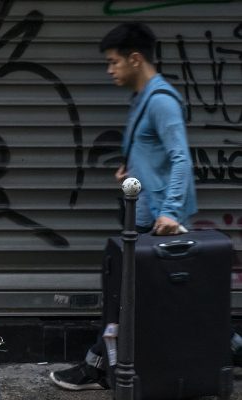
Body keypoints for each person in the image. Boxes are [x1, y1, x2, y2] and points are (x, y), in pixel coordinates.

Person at [49, 21, 223, 390]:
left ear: (135, 58)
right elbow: (157, 156)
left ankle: (94, 366)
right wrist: (131, 169)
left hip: (158, 223)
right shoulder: (143, 98)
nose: (109, 69)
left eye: (113, 62)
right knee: (173, 302)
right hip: (143, 215)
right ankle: (230, 347)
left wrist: (171, 212)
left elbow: (180, 159)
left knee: (122, 299)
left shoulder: (160, 101)